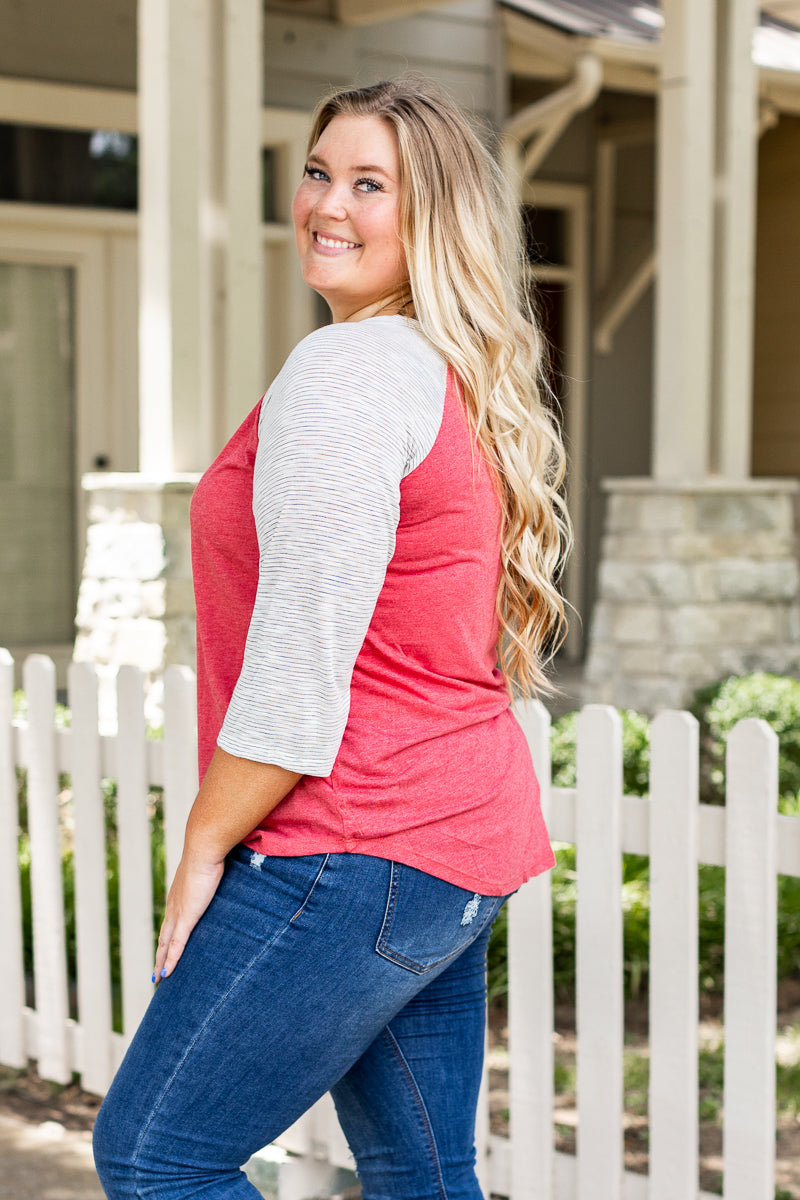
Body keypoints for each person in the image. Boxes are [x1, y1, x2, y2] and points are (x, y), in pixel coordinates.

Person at [93, 75, 571, 1200]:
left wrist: (205, 842)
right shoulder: (439, 371)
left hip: (350, 846)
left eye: (372, 185)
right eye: (319, 172)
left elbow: (300, 664)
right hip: (455, 849)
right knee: (422, 1176)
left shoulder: (351, 371)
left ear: (432, 219)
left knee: (157, 1159)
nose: (329, 206)